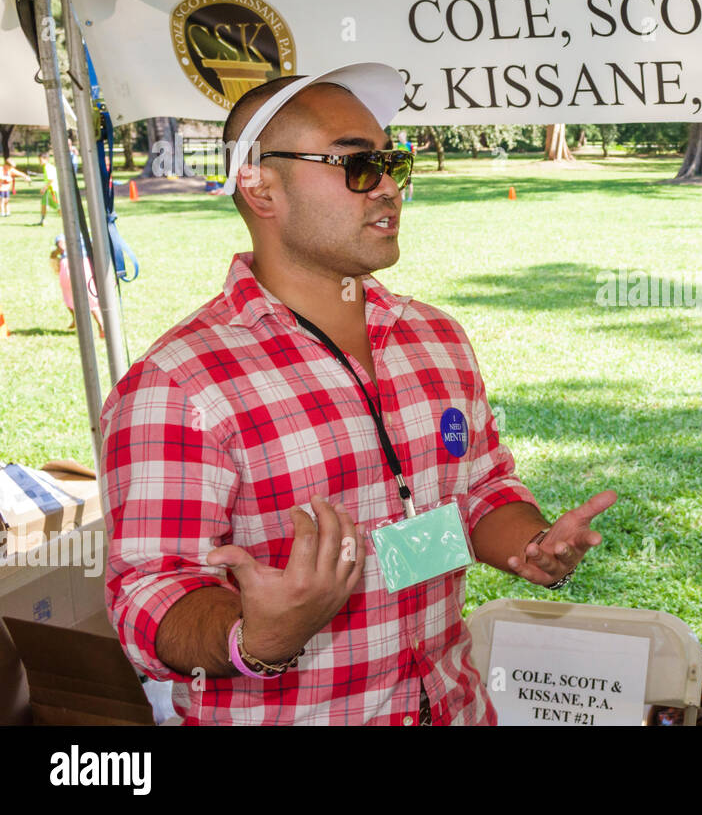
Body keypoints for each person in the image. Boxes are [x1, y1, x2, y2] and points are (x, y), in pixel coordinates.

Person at [99, 62, 617, 725]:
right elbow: (149, 593)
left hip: (455, 708)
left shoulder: (434, 338)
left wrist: (530, 544)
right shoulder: (181, 384)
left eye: (391, 163)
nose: (387, 189)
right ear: (261, 189)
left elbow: (472, 497)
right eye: (356, 165)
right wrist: (257, 637)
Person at [49, 233, 103, 338]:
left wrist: (54, 253)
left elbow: (61, 247)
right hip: (86, 265)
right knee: (90, 298)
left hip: (68, 266)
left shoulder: (62, 236)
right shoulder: (86, 233)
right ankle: (100, 324)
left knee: (70, 296)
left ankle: (78, 320)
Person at [38, 152, 58, 226]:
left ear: (46, 159)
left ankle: (67, 220)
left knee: (58, 206)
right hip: (48, 190)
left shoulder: (48, 167)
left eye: (41, 160)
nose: (39, 162)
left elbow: (51, 179)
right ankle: (42, 220)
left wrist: (44, 188)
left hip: (52, 190)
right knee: (43, 204)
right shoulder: (45, 166)